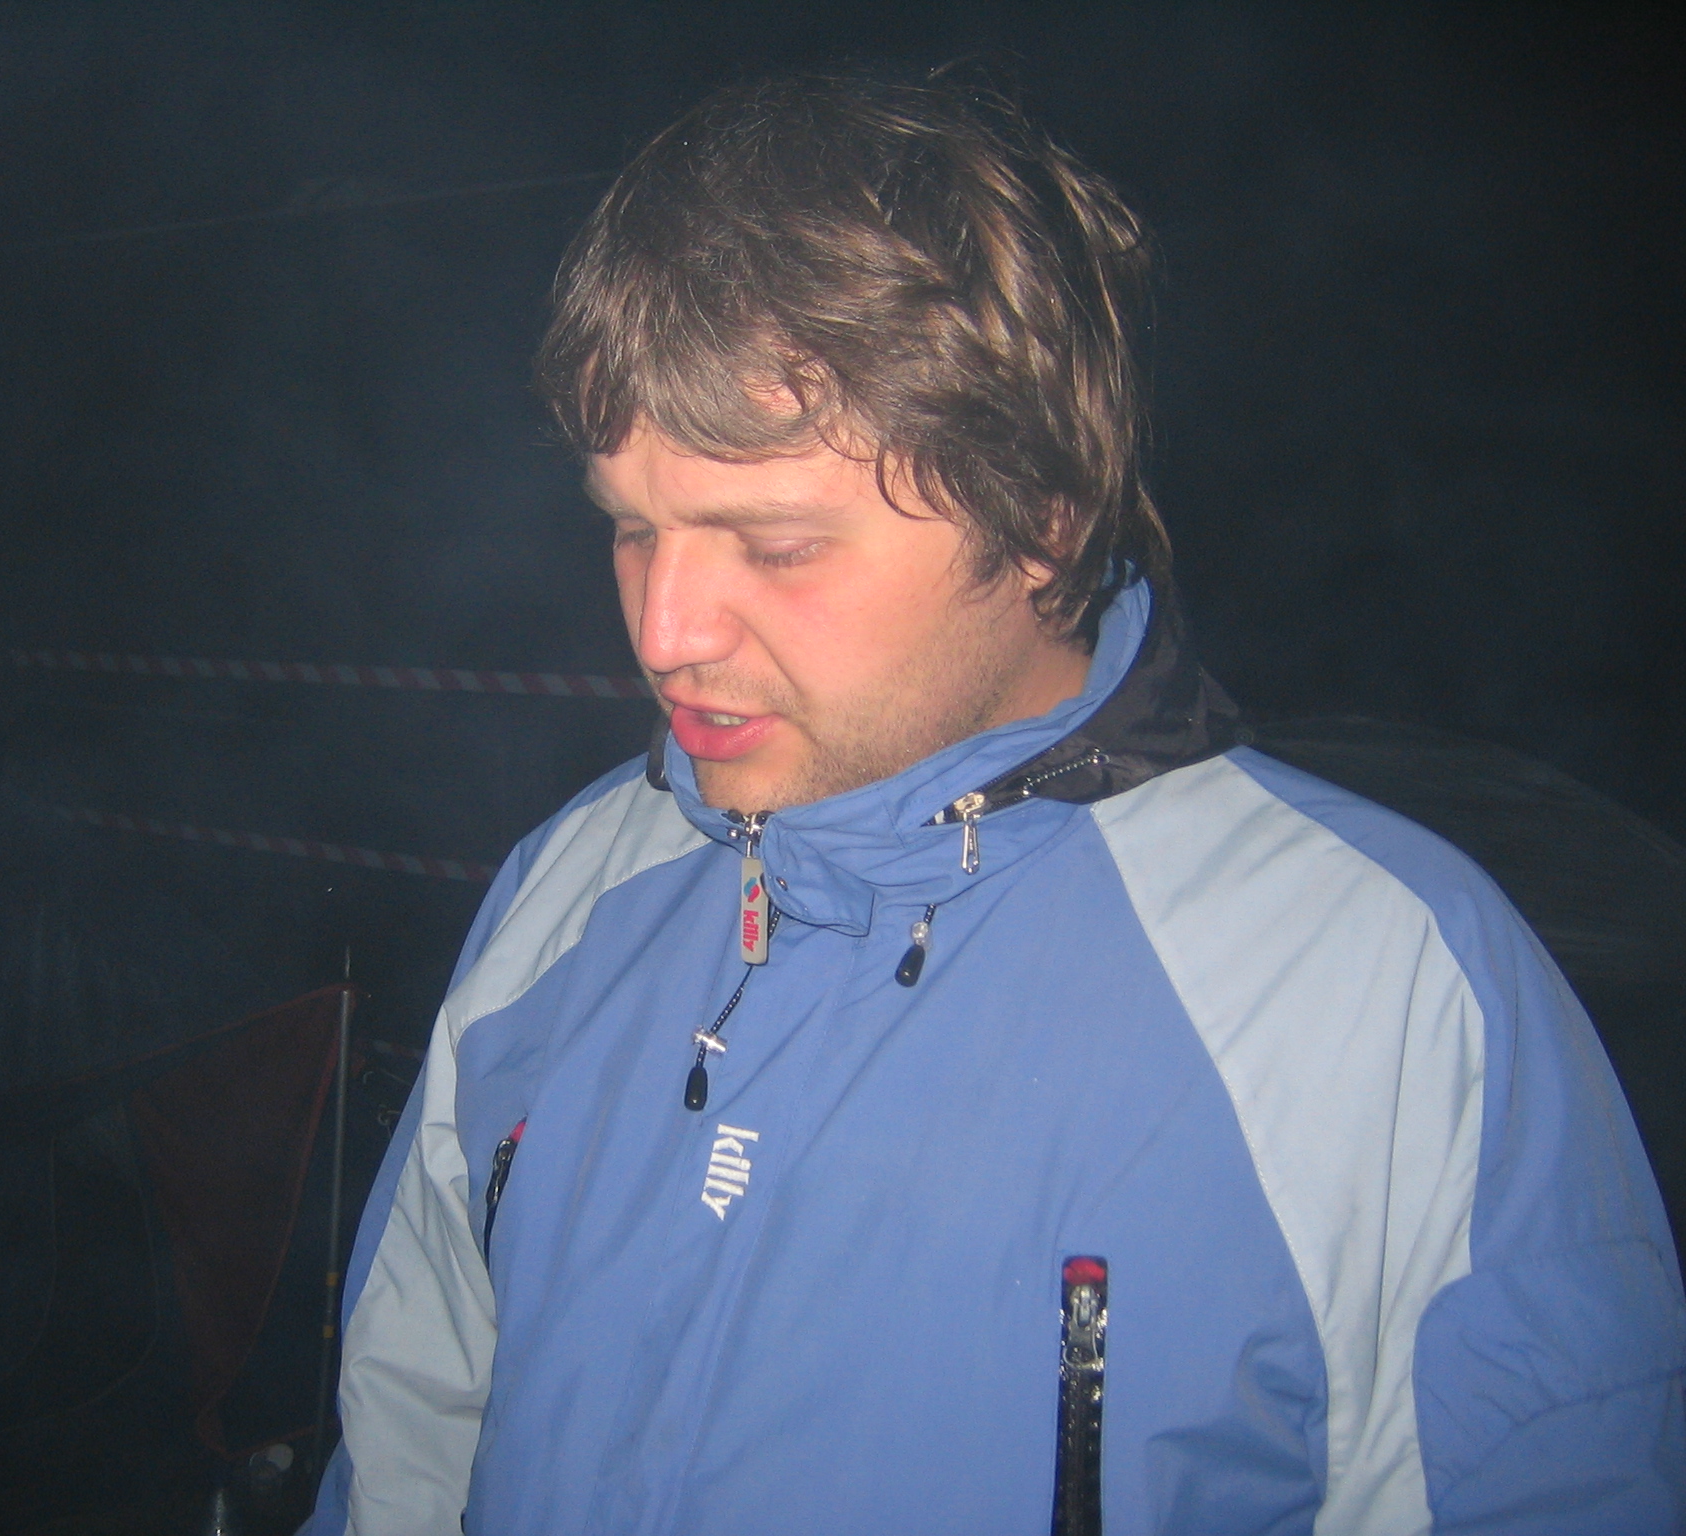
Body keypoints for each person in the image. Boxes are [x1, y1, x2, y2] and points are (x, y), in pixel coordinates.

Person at [304, 72, 1685, 1535]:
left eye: (776, 545)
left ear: (1040, 518)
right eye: (633, 529)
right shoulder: (574, 885)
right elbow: (406, 1442)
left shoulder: (1382, 991)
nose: (664, 633)